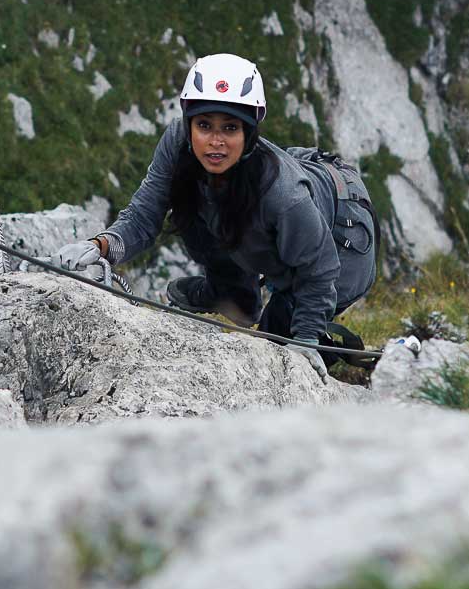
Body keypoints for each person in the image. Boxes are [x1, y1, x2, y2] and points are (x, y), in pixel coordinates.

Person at [52, 53, 378, 380]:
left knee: (277, 342)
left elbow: (319, 267)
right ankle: (233, 295)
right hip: (298, 197)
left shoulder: (284, 194)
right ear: (189, 123)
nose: (216, 142)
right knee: (197, 208)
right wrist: (100, 246)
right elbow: (143, 216)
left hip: (343, 236)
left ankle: (319, 345)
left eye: (230, 128)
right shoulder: (178, 146)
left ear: (248, 134)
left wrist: (305, 337)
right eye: (204, 125)